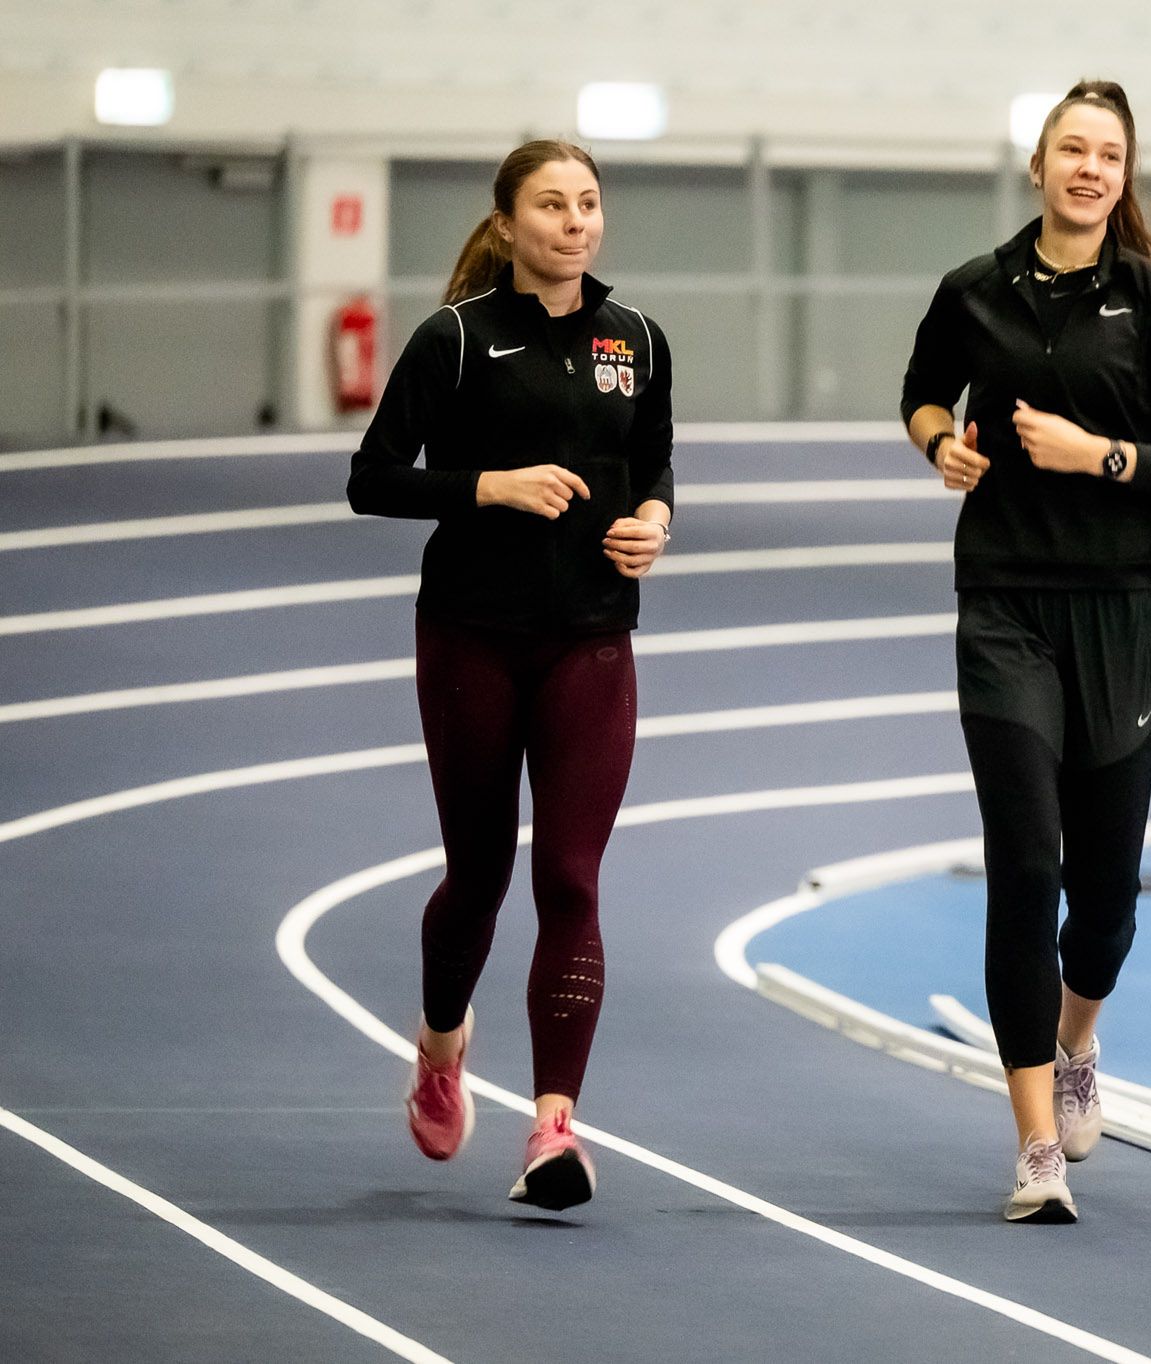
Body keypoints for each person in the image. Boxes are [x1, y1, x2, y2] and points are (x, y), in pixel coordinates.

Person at [900, 80, 1151, 1223]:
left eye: (1108, 153)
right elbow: (918, 391)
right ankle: (1035, 1142)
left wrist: (1099, 456)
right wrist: (939, 441)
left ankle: (1076, 1033)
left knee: (1100, 900)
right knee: (1023, 869)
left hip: (1121, 609)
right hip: (1002, 602)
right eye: (1071, 148)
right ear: (1039, 165)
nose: (1088, 168)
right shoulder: (974, 290)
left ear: (1123, 174)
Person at [347, 139, 675, 1212]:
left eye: (587, 203)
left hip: (591, 638)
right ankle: (442, 1042)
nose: (574, 222)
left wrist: (654, 522)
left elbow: (654, 459)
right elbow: (374, 479)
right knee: (479, 874)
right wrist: (488, 485)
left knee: (570, 878)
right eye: (551, 205)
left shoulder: (636, 338)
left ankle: (552, 1126)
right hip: (472, 640)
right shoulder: (454, 339)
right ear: (507, 220)